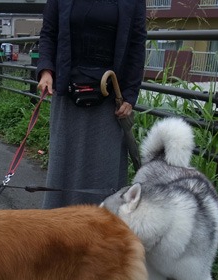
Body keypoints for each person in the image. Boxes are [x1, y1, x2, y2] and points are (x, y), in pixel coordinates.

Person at [36, 0, 146, 207]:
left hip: (111, 94)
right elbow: (48, 34)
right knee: (63, 162)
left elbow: (137, 44)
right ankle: (59, 227)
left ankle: (102, 228)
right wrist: (46, 71)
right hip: (68, 89)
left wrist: (130, 96)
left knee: (105, 166)